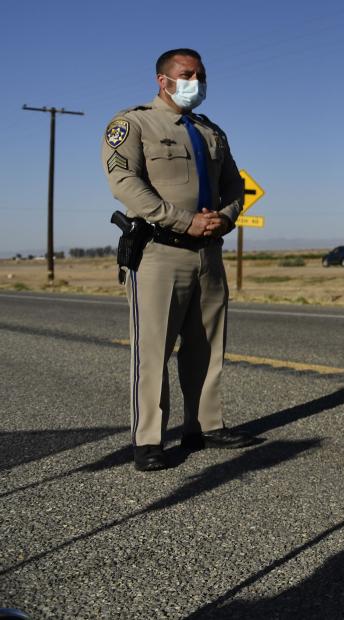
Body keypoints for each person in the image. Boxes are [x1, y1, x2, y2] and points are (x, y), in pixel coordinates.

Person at [102, 48, 258, 472]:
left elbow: (234, 186)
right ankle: (148, 439)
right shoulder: (132, 123)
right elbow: (125, 182)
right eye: (187, 74)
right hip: (159, 252)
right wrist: (183, 220)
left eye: (201, 75)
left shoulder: (211, 131)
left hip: (208, 253)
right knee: (153, 349)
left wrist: (222, 220)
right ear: (163, 80)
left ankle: (205, 425)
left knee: (207, 346)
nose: (196, 81)